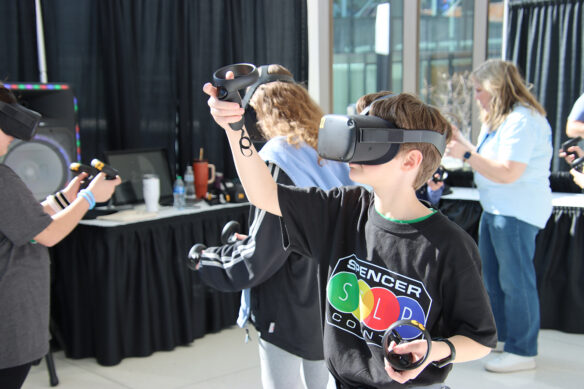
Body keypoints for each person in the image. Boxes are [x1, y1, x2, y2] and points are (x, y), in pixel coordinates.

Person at [204, 75, 497, 388]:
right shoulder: (343, 209)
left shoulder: (448, 245)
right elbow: (264, 193)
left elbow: (479, 338)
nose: (354, 151)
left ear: (410, 161)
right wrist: (235, 130)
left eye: (371, 141)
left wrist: (436, 350)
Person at [195, 65, 353, 389]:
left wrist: (207, 260)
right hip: (334, 297)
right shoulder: (334, 154)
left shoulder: (280, 158)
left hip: (289, 305)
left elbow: (261, 254)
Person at [0, 83, 121, 389]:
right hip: (8, 324)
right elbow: (47, 234)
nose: (13, 136)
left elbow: (21, 220)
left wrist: (64, 200)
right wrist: (91, 198)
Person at [445, 59, 552, 373]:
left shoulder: (523, 121)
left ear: (495, 88)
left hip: (515, 211)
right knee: (493, 279)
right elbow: (485, 160)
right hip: (496, 209)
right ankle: (506, 339)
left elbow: (507, 172)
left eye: (480, 90)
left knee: (516, 282)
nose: (477, 96)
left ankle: (522, 350)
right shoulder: (504, 121)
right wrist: (461, 140)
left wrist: (464, 152)